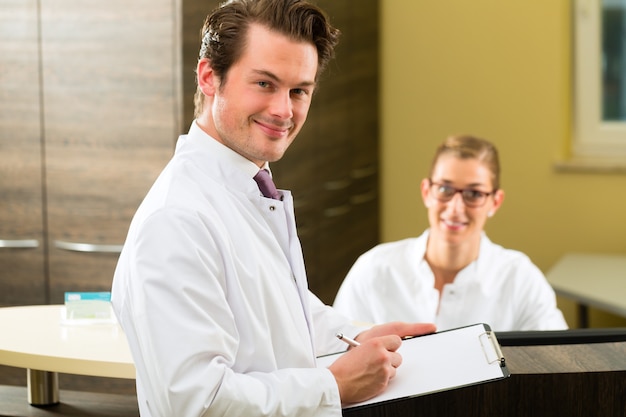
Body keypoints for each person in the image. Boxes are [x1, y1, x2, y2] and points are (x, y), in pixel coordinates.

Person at [110, 1, 436, 416]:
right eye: (265, 84)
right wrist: (333, 385)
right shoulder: (175, 221)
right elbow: (195, 401)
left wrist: (356, 339)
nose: (285, 110)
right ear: (210, 77)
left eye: (299, 90)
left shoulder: (247, 188)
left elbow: (279, 313)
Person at [333, 135, 568, 332]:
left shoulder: (520, 279)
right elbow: (336, 356)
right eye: (445, 189)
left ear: (495, 202)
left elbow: (554, 363)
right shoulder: (374, 270)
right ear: (427, 192)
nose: (455, 208)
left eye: (474, 194)